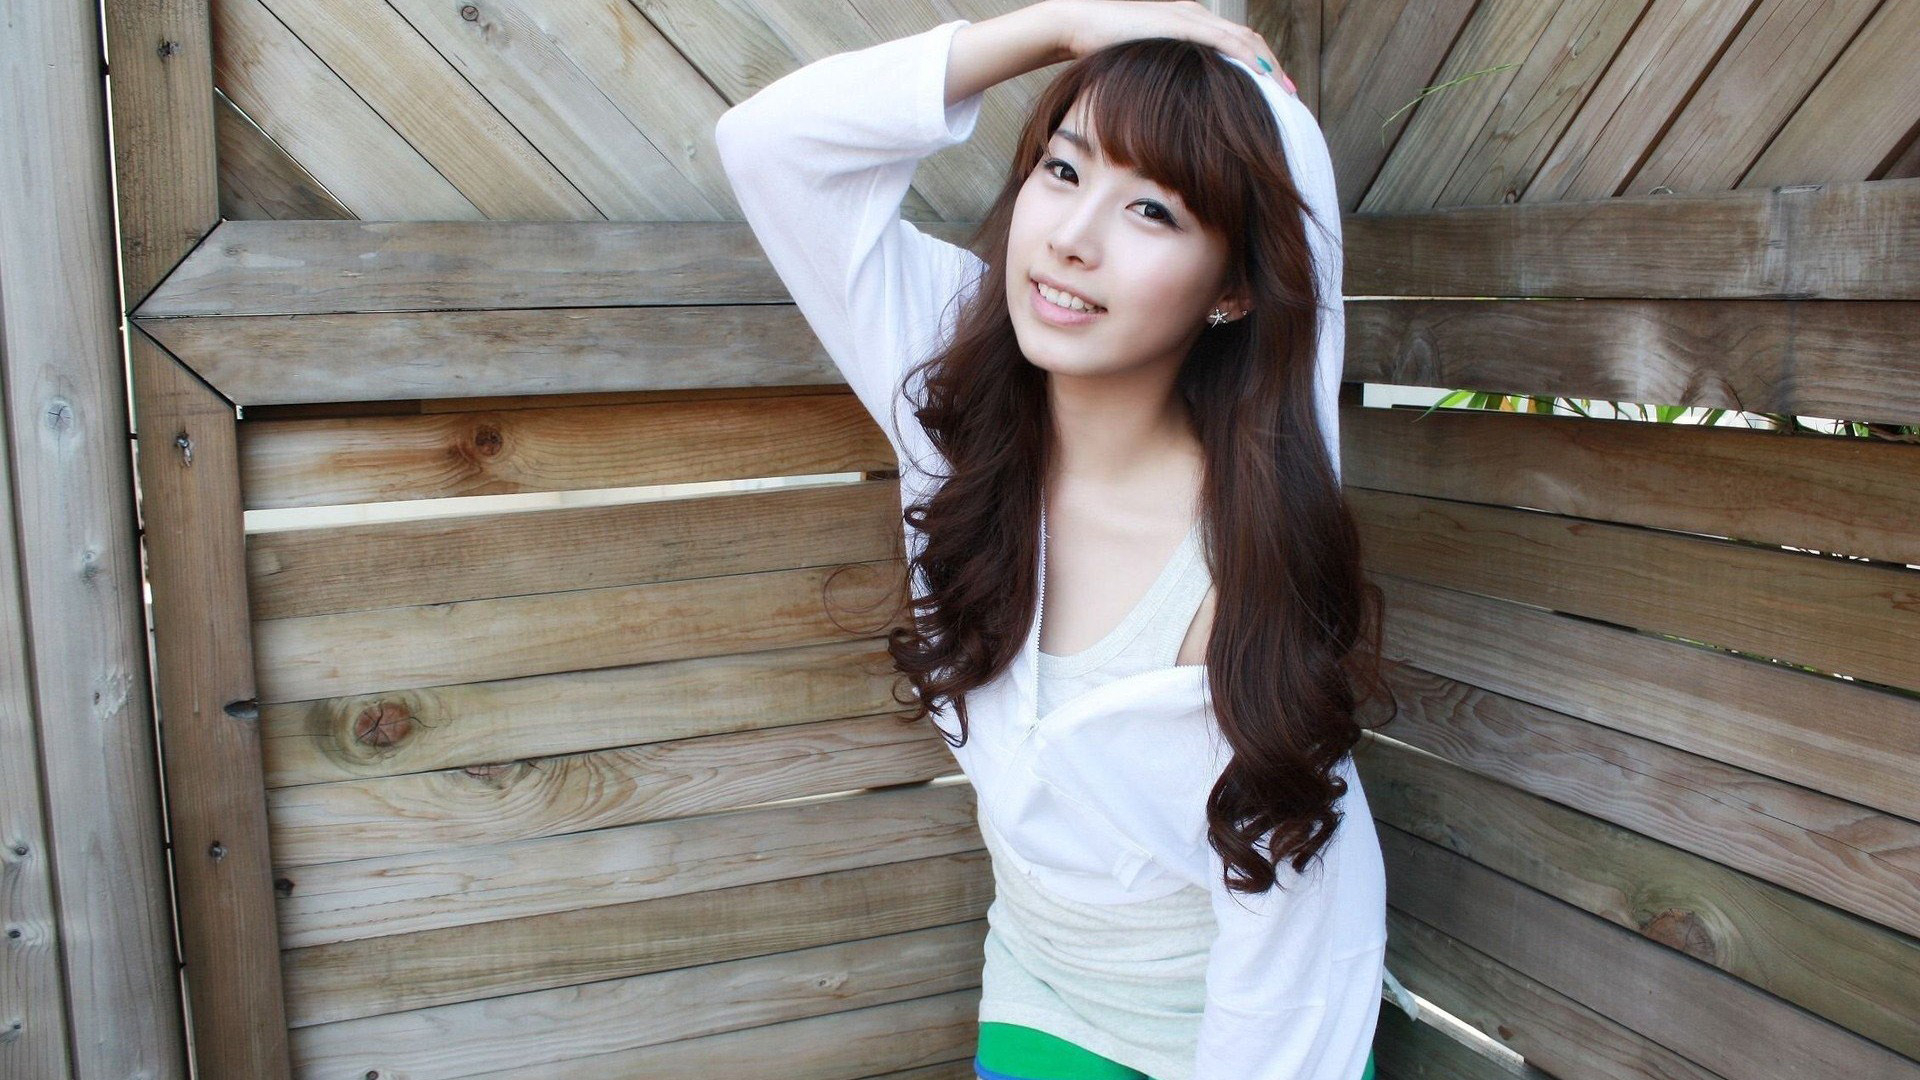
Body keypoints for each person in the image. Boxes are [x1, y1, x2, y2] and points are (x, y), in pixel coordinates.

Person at [714, 3, 1394, 1077]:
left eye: (1153, 210)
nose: (1074, 236)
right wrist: (1062, 27)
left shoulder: (1242, 558)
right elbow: (769, 147)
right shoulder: (953, 384)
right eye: (1064, 169)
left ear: (1231, 288)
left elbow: (1297, 931)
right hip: (1039, 994)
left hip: (1236, 1029)